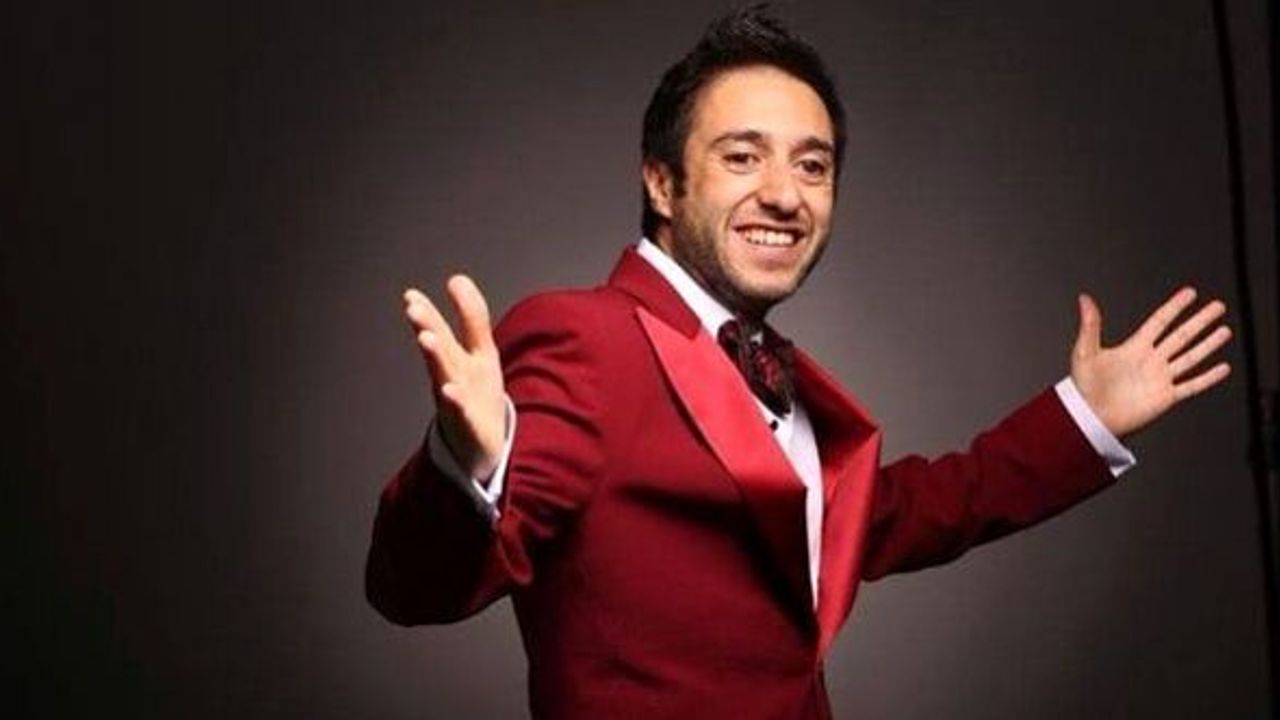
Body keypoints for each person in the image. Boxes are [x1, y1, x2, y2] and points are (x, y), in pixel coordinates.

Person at [365, 7, 1233, 719]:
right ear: (662, 183)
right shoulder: (583, 338)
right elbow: (413, 589)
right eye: (741, 156)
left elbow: (900, 514)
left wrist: (1083, 418)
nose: (784, 194)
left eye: (811, 165)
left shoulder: (772, 370)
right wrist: (467, 467)